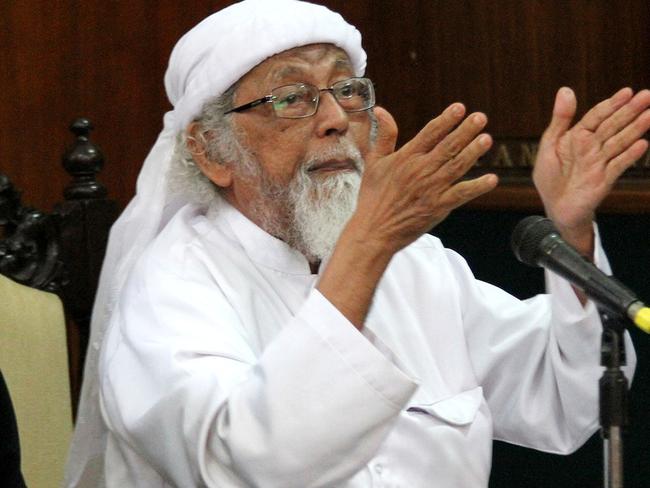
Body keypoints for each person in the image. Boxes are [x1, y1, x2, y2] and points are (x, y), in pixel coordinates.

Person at [64, 1, 650, 486]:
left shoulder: (414, 263)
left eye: (346, 89)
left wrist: (570, 225)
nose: (335, 119)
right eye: (291, 97)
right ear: (213, 150)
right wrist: (368, 244)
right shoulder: (171, 288)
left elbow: (563, 399)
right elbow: (250, 460)